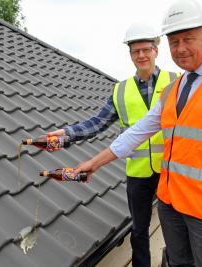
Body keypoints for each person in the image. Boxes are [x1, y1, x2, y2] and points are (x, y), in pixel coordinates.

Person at [72, 0, 202, 266]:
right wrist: (93, 164)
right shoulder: (173, 89)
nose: (181, 48)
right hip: (171, 205)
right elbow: (136, 133)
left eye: (188, 39)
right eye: (174, 42)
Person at [48, 23, 179, 267]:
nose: (140, 55)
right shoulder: (120, 90)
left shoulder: (176, 81)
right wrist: (67, 133)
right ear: (130, 55)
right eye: (135, 51)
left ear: (156, 51)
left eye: (145, 50)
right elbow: (97, 123)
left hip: (171, 171)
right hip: (138, 173)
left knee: (174, 228)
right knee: (139, 230)